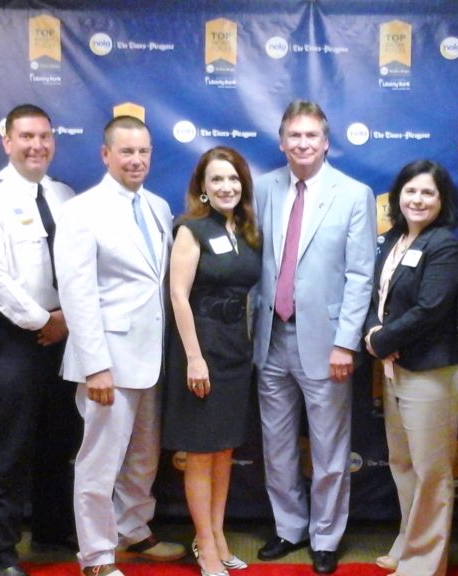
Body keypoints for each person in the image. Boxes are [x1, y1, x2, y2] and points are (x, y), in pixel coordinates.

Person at [55, 115, 185, 576]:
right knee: (99, 461)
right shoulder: (81, 211)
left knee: (144, 455)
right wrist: (95, 366)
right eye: (126, 151)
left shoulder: (157, 207)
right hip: (106, 359)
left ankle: (134, 529)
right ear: (105, 154)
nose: (136, 160)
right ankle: (95, 555)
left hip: (152, 356)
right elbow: (77, 293)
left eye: (144, 151)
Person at [254, 100, 377, 575]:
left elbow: (361, 274)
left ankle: (326, 536)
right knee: (277, 445)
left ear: (325, 142)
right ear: (282, 142)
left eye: (312, 136)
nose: (303, 144)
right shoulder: (263, 188)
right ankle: (289, 528)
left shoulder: (353, 194)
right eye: (294, 136)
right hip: (270, 338)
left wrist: (346, 343)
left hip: (327, 345)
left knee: (329, 447)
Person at [0, 104, 83, 576]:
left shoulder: (64, 195)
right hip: (14, 335)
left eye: (44, 137)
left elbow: (76, 265)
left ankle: (52, 528)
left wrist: (65, 320)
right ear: (7, 142)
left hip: (63, 332)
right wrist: (41, 321)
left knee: (60, 438)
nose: (37, 145)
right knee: (6, 447)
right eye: (26, 137)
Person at [363, 160, 458, 576]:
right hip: (394, 369)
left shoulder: (445, 244)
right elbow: (379, 298)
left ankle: (425, 563)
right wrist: (373, 331)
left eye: (428, 193)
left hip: (431, 372)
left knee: (432, 471)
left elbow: (432, 308)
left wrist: (380, 340)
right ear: (398, 196)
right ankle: (409, 541)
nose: (417, 199)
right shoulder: (393, 239)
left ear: (442, 201)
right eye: (411, 191)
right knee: (402, 463)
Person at [162, 146, 262, 576]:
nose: (227, 187)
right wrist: (194, 358)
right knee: (201, 452)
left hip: (235, 349)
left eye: (234, 179)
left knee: (223, 450)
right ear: (202, 187)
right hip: (199, 347)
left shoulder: (243, 230)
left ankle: (218, 535)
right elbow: (178, 295)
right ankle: (203, 543)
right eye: (217, 179)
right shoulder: (192, 228)